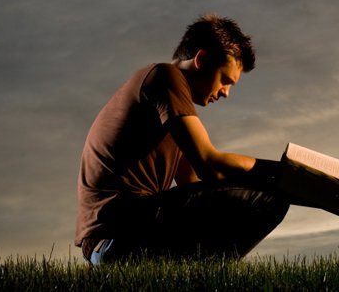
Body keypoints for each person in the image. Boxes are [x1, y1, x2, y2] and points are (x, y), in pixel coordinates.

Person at [75, 14, 291, 264]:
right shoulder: (165, 75)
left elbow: (196, 183)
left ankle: (205, 271)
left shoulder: (171, 109)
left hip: (116, 240)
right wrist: (281, 172)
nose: (226, 93)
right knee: (269, 200)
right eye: (225, 80)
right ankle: (213, 270)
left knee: (258, 193)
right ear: (202, 59)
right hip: (117, 236)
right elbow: (209, 163)